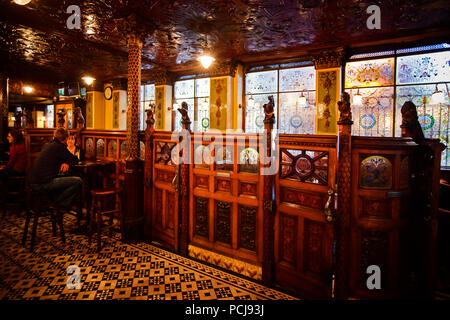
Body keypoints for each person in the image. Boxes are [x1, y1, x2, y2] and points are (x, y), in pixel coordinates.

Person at [29, 128, 82, 212]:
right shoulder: (59, 147)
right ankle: (60, 203)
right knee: (78, 180)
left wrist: (65, 161)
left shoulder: (48, 145)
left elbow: (58, 158)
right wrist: (66, 160)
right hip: (44, 183)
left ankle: (59, 203)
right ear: (65, 138)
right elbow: (74, 159)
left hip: (33, 181)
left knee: (65, 177)